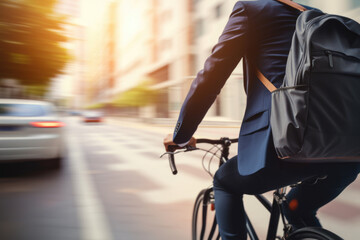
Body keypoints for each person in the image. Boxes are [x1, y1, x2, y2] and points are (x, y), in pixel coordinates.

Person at [163, 0, 360, 239]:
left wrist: (180, 136)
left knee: (224, 181)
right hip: (347, 154)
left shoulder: (251, 10)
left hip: (287, 148)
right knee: (297, 208)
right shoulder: (318, 17)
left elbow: (210, 77)